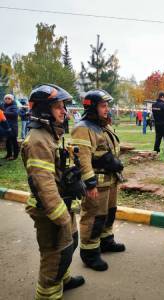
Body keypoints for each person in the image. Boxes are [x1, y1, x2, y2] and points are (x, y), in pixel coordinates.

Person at [21, 84, 85, 299]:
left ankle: (63, 279)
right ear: (43, 110)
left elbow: (55, 171)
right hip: (51, 211)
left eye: (63, 107)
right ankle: (48, 293)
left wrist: (72, 176)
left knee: (69, 245)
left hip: (63, 204)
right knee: (54, 255)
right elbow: (43, 184)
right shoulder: (38, 140)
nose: (64, 111)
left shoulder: (50, 135)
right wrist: (61, 216)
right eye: (58, 107)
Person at [71, 89, 125, 272]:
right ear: (93, 108)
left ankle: (106, 241)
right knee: (93, 217)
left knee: (109, 212)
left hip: (110, 181)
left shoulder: (102, 125)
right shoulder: (83, 128)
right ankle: (90, 253)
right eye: (103, 106)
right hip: (97, 183)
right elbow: (83, 159)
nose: (107, 109)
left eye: (107, 105)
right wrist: (90, 183)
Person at [2, 94, 19, 160]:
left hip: (13, 127)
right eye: (6, 98)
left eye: (9, 98)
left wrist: (3, 113)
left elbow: (15, 114)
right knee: (7, 142)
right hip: (7, 126)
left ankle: (15, 156)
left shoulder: (14, 106)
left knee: (14, 141)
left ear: (12, 99)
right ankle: (8, 154)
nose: (7, 100)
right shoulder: (4, 106)